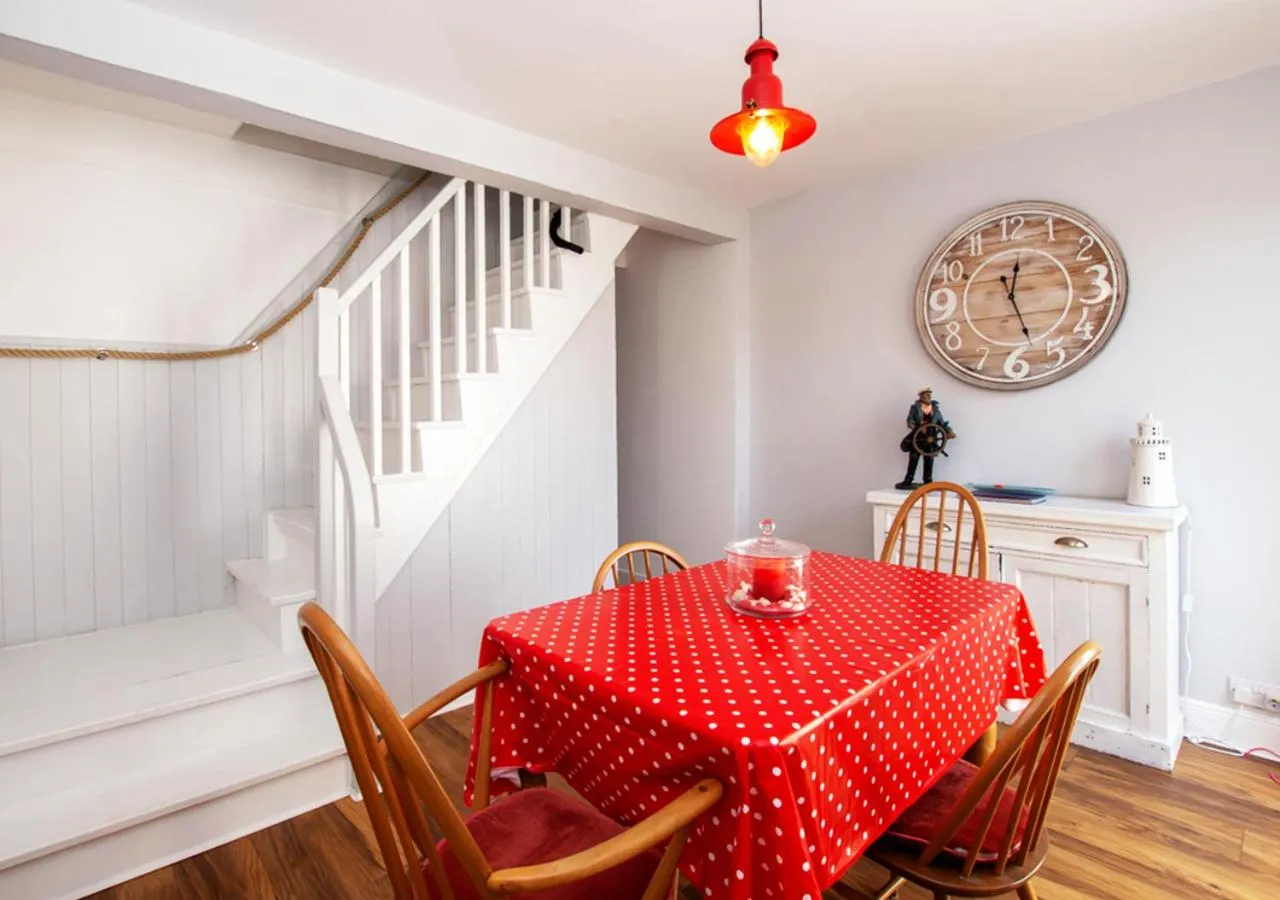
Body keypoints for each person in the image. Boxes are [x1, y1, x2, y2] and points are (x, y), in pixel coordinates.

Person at [896, 386, 956, 490]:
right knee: (913, 458)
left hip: (931, 438)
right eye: (925, 394)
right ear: (920, 396)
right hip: (918, 438)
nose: (928, 396)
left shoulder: (936, 410)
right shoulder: (915, 408)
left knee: (929, 459)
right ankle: (908, 480)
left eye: (929, 394)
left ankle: (928, 481)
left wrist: (949, 431)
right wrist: (911, 424)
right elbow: (910, 419)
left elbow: (942, 423)